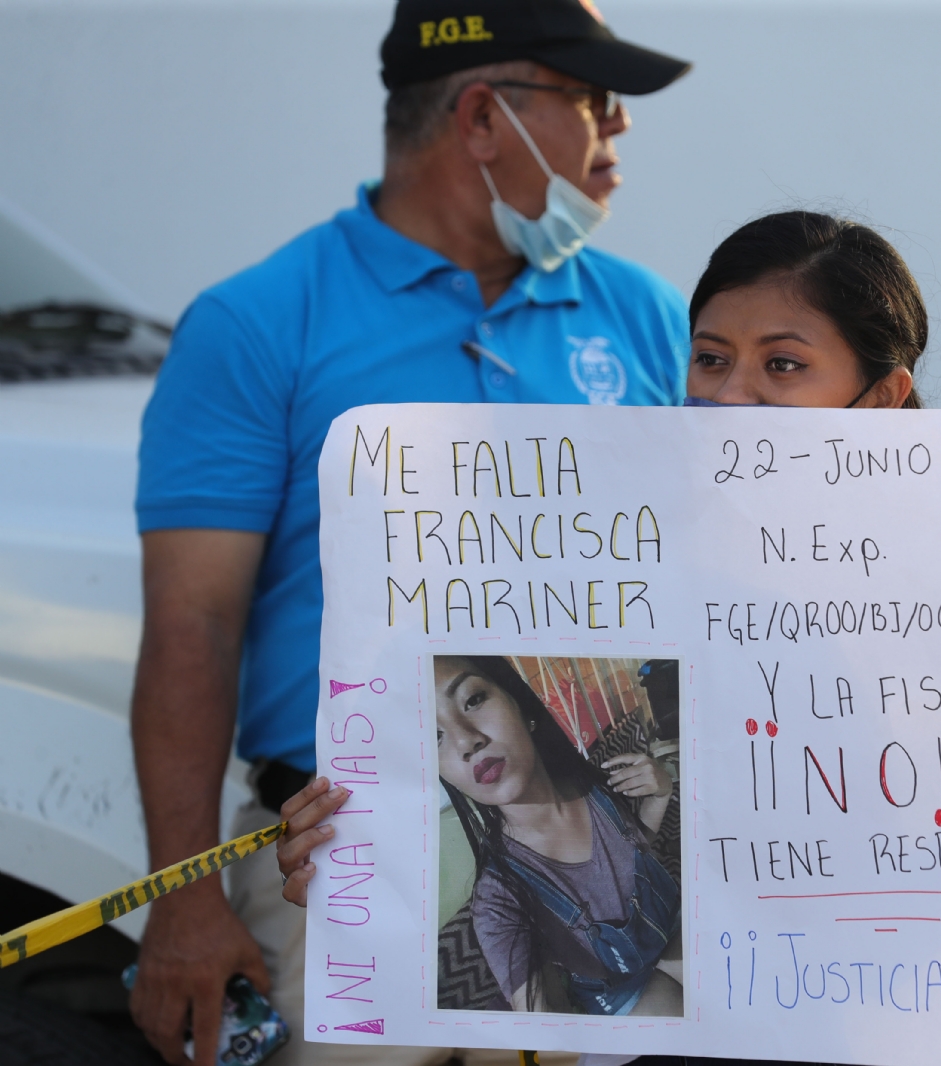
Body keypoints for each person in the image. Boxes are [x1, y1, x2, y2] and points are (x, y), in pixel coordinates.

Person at [279, 211, 941, 1066]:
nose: (727, 396)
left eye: (782, 365)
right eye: (710, 358)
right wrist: (360, 869)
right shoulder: (611, 568)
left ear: (884, 398)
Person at [128, 0, 692, 1061]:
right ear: (484, 117)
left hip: (605, 843)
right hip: (344, 859)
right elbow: (192, 625)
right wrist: (188, 899)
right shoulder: (260, 323)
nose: (617, 131)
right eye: (592, 100)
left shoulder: (650, 320)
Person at [435, 656, 680, 1017]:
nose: (466, 741)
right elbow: (536, 1019)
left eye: (473, 700)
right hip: (622, 996)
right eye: (433, 737)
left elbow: (632, 850)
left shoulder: (595, 786)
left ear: (520, 704)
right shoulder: (498, 899)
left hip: (674, 925)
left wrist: (660, 793)